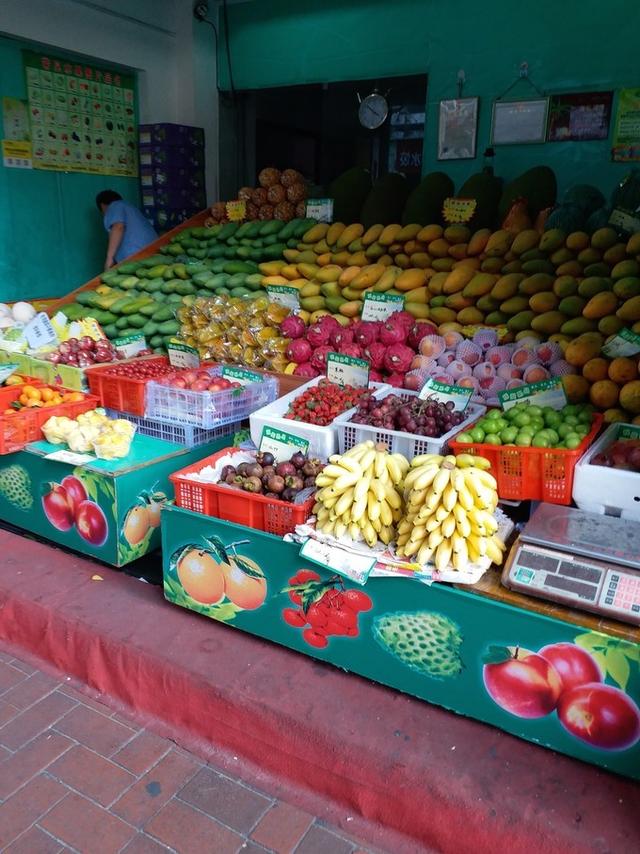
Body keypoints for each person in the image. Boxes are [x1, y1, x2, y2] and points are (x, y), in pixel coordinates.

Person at [96, 190, 158, 270]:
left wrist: (109, 259)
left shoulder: (115, 206)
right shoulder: (129, 207)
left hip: (138, 256)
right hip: (154, 253)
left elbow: (118, 227)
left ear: (102, 205)